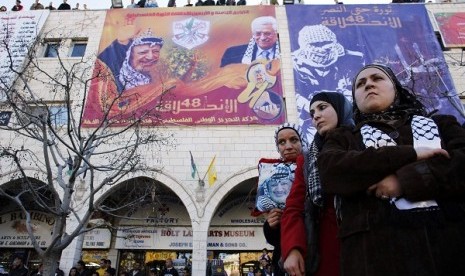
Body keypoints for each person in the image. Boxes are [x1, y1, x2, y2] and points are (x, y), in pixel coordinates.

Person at [318, 64, 465, 276]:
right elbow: (331, 172)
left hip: (449, 249)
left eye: (377, 78)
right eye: (360, 84)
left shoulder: (442, 125)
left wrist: (404, 181)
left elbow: (460, 164)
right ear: (355, 99)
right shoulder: (344, 137)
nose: (369, 84)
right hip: (374, 258)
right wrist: (412, 154)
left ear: (395, 88)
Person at [281, 92, 354, 276]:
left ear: (340, 108)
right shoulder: (307, 159)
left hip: (364, 236)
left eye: (322, 108)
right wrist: (292, 248)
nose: (316, 116)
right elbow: (294, 207)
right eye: (312, 113)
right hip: (325, 243)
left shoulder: (364, 141)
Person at [292, 24, 364, 143]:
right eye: (315, 45)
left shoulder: (350, 58)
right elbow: (293, 94)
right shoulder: (294, 63)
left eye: (325, 43)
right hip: (309, 122)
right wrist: (307, 105)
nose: (321, 48)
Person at [253, 123, 305, 276]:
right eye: (282, 142)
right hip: (285, 259)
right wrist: (271, 225)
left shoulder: (314, 169)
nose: (288, 146)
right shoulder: (271, 175)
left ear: (302, 141)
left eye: (294, 140)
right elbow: (275, 240)